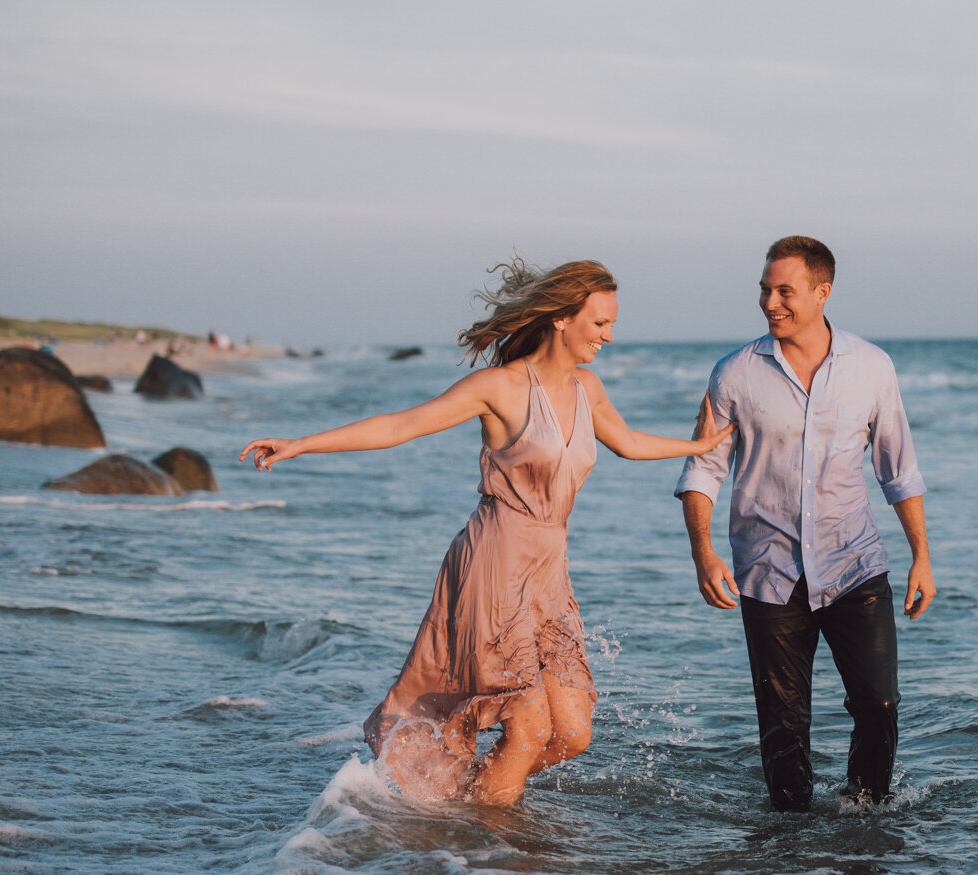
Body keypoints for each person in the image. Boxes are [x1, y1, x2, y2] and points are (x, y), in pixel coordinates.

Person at [242, 258, 733, 806]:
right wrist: (301, 443)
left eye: (612, 324)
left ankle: (468, 806)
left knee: (571, 734)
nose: (609, 336)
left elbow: (629, 442)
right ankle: (494, 856)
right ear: (562, 320)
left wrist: (700, 446)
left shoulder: (587, 387)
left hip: (549, 570)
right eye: (600, 323)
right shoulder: (498, 387)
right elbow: (400, 425)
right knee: (526, 730)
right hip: (494, 564)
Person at [676, 236, 933, 812]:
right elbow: (702, 468)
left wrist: (921, 555)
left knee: (879, 702)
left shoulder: (871, 367)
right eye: (765, 290)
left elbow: (899, 469)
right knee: (783, 728)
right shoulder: (734, 374)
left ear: (823, 292)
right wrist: (704, 552)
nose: (771, 302)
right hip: (769, 570)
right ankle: (789, 856)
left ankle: (865, 813)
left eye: (784, 290)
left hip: (855, 564)